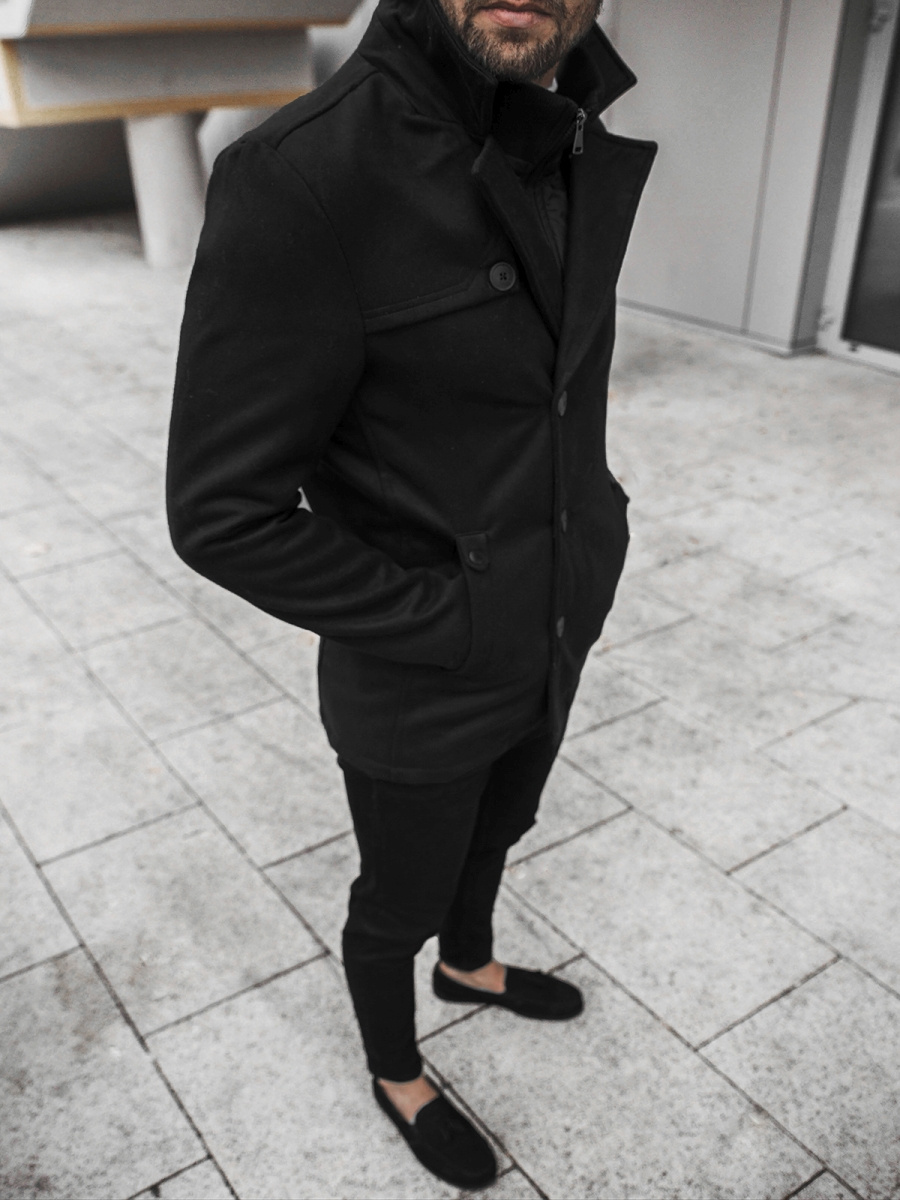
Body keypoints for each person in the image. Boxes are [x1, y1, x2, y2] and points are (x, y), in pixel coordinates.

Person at [166, 0, 656, 1188]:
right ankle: (397, 1068)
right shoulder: (302, 175)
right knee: (398, 900)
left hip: (556, 618)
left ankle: (470, 965)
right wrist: (447, 617)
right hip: (422, 673)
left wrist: (594, 529)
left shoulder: (569, 119)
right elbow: (219, 513)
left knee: (507, 825)